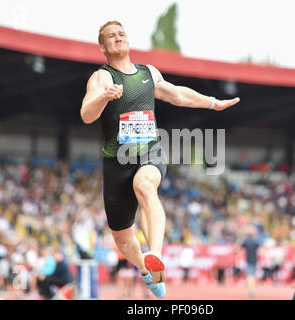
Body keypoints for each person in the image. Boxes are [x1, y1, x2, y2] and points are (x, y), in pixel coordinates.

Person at [80, 21, 240, 298]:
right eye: (111, 37)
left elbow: (178, 95)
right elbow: (86, 114)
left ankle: (155, 253)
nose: (118, 39)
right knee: (122, 237)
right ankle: (146, 268)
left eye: (122, 34)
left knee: (145, 186)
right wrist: (104, 97)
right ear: (102, 47)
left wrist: (213, 102)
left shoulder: (147, 73)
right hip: (116, 161)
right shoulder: (101, 78)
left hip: (149, 152)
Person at [239, 225, 261, 298]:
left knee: (249, 276)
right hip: (255, 260)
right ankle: (253, 290)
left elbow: (239, 248)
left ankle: (251, 290)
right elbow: (260, 249)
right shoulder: (255, 241)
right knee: (253, 276)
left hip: (249, 260)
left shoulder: (246, 241)